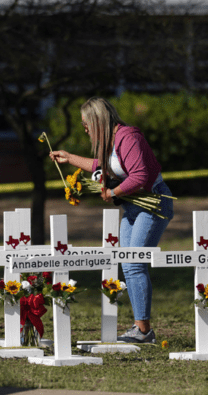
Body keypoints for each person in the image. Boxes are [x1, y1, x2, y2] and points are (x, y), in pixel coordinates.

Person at [49, 96, 173, 344]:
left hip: (154, 203)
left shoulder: (129, 137)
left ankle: (143, 331)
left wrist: (112, 193)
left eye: (86, 123)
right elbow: (102, 166)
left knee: (135, 263)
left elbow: (139, 176)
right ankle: (142, 329)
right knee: (128, 264)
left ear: (98, 120)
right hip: (133, 207)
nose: (85, 129)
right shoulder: (111, 142)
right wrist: (70, 158)